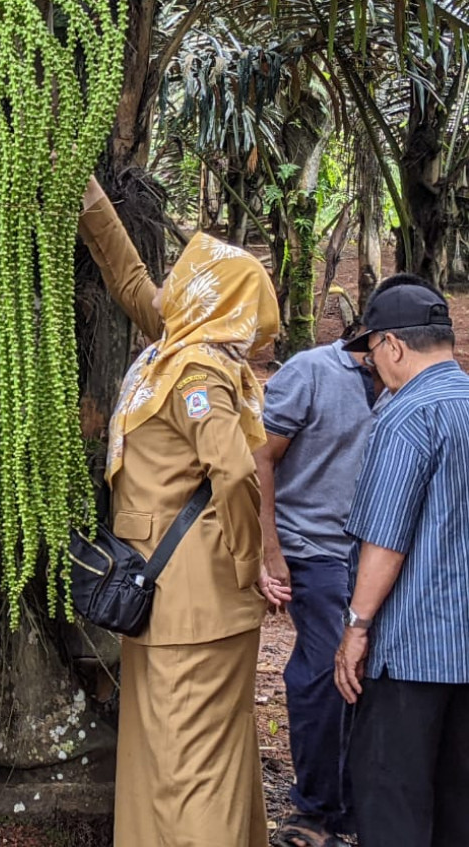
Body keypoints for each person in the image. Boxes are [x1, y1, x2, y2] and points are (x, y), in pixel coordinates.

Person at [78, 176, 282, 847]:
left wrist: (249, 563)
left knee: (193, 764)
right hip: (175, 596)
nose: (170, 288)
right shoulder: (176, 346)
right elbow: (127, 273)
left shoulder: (191, 370)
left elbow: (234, 471)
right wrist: (82, 182)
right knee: (172, 754)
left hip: (196, 601)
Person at [334, 279, 469, 847]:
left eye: (371, 355)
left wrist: (357, 628)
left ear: (392, 345)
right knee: (457, 805)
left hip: (410, 652)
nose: (373, 369)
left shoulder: (406, 416)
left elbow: (385, 542)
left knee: (391, 802)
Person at [255, 326, 382, 847]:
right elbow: (262, 457)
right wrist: (271, 551)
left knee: (372, 675)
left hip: (376, 552)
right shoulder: (309, 371)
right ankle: (313, 811)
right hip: (314, 551)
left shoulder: (409, 381)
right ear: (381, 341)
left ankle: (353, 804)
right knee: (325, 672)